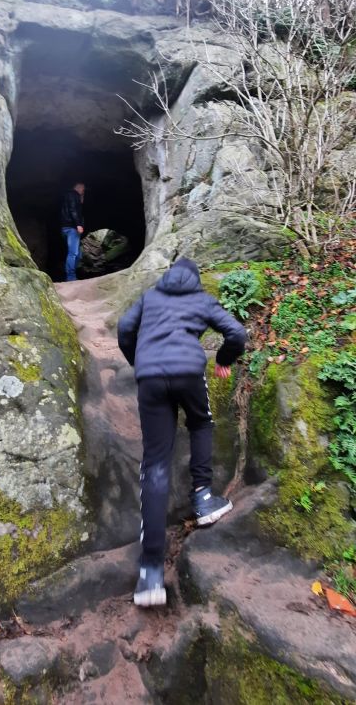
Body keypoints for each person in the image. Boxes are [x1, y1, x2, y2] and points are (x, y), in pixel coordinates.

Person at [117, 257, 247, 608]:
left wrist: (139, 362)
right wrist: (223, 359)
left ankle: (149, 575)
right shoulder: (201, 298)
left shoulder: (150, 296)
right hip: (189, 372)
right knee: (201, 423)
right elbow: (237, 333)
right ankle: (203, 498)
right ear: (194, 277)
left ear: (169, 274)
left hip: (150, 381)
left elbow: (124, 328)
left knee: (156, 462)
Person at [61, 182, 85, 281]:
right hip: (71, 227)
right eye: (83, 189)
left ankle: (69, 272)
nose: (83, 192)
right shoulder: (73, 195)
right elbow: (73, 210)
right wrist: (78, 224)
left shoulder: (69, 195)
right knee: (73, 253)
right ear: (78, 188)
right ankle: (71, 277)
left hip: (66, 227)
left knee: (78, 254)